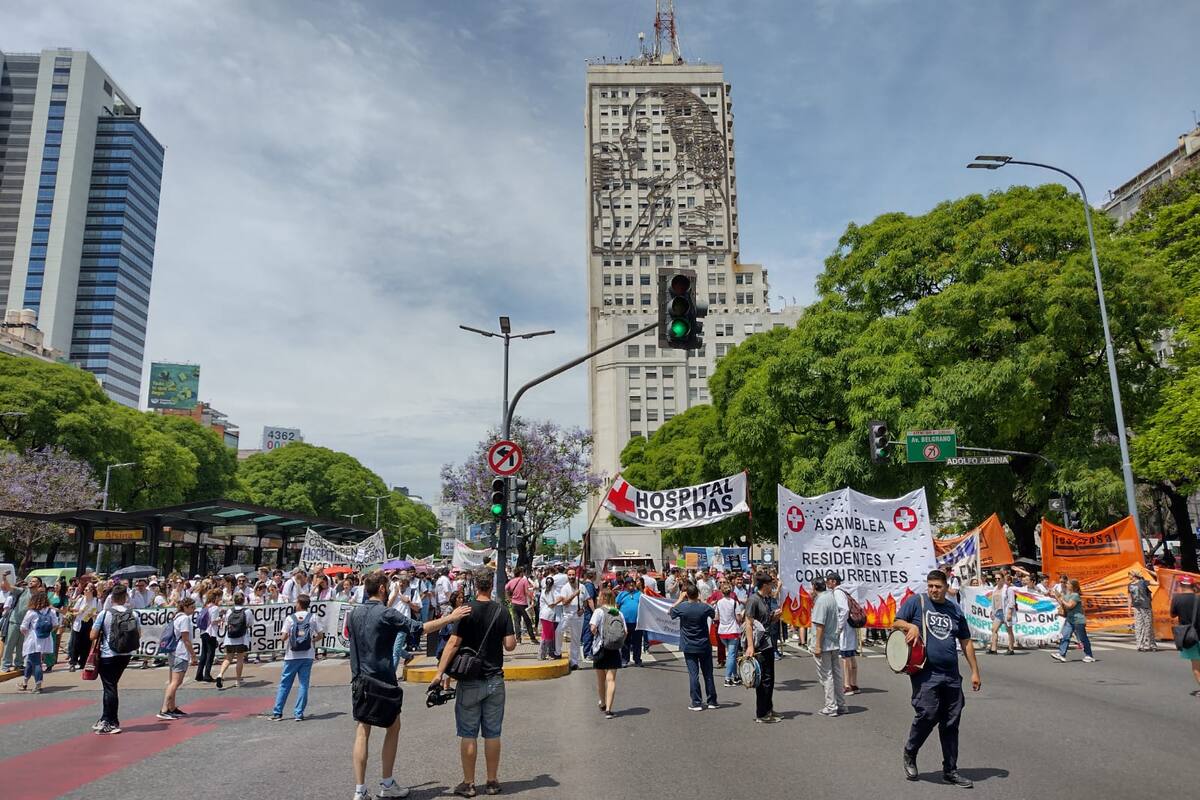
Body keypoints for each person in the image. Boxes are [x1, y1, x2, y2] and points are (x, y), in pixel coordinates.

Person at [349, 570, 469, 800]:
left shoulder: (354, 613)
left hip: (360, 680)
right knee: (392, 727)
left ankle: (360, 790)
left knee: (362, 731)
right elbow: (420, 628)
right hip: (382, 680)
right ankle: (386, 782)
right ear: (382, 589)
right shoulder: (386, 613)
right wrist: (450, 618)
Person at [893, 570, 982, 788]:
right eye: (930, 585)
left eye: (938, 586)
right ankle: (910, 752)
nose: (933, 589)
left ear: (945, 587)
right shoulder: (917, 602)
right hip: (925, 672)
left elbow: (966, 641)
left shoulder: (954, 610)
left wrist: (975, 671)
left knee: (951, 722)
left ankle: (950, 770)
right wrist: (910, 625)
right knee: (928, 713)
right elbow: (895, 622)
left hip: (951, 674)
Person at [435, 569, 517, 797]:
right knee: (492, 733)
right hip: (494, 679)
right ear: (491, 585)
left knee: (468, 732)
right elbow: (510, 645)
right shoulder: (502, 610)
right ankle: (492, 781)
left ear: (474, 586)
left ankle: (469, 784)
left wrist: (439, 673)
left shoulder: (466, 610)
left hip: (470, 680)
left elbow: (453, 643)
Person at [263, 593, 323, 721]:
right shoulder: (313, 617)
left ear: (299, 604)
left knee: (285, 684)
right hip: (307, 655)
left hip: (291, 655)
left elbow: (283, 637)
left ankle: (278, 712)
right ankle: (298, 713)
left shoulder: (290, 618)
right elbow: (321, 634)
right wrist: (312, 640)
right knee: (303, 684)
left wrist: (290, 636)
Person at [90, 584, 140, 735]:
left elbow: (92, 635)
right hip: (125, 655)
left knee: (109, 687)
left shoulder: (105, 614)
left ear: (111, 598)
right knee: (112, 686)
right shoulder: (134, 614)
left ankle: (111, 721)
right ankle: (106, 718)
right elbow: (139, 634)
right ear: (125, 598)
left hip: (108, 654)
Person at [670, 583, 718, 711]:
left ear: (686, 595)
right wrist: (702, 600)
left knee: (693, 674)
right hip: (704, 645)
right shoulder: (703, 607)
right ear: (697, 594)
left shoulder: (682, 607)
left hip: (689, 645)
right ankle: (712, 700)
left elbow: (671, 612)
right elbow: (713, 614)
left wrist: (679, 599)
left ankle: (696, 702)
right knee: (708, 674)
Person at [743, 573, 780, 723]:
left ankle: (769, 709)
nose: (773, 586)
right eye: (771, 584)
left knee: (770, 678)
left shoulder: (765, 599)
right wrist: (750, 646)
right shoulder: (753, 600)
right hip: (760, 645)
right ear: (764, 585)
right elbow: (749, 623)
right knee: (763, 679)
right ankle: (762, 713)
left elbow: (764, 621)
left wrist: (774, 617)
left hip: (769, 642)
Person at [810, 576, 847, 717]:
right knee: (836, 674)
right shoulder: (831, 597)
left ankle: (831, 706)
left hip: (824, 643)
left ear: (814, 587)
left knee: (827, 676)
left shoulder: (821, 601)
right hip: (833, 642)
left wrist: (817, 646)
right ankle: (841, 704)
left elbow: (820, 625)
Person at [158, 597, 197, 719]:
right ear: (185, 607)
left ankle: (172, 707)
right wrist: (193, 655)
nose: (194, 609)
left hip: (174, 652)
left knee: (173, 681)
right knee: (176, 682)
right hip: (180, 652)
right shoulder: (184, 618)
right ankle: (164, 709)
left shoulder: (177, 617)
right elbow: (186, 639)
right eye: (191, 607)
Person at [589, 587, 624, 719]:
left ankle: (603, 703)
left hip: (600, 648)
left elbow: (592, 628)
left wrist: (598, 633)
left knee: (601, 679)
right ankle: (609, 709)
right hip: (614, 649)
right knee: (611, 679)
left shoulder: (599, 611)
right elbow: (624, 632)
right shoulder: (618, 613)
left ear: (603, 598)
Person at [825, 571, 860, 694]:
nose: (827, 583)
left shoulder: (838, 592)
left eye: (828, 580)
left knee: (846, 656)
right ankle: (854, 684)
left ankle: (847, 685)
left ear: (834, 581)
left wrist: (838, 627)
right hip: (849, 626)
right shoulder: (843, 591)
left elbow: (844, 610)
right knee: (851, 655)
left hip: (845, 627)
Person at [18, 590, 58, 692]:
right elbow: (55, 625)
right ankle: (24, 683)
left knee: (36, 662)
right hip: (45, 640)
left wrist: (27, 634)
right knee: (31, 662)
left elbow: (23, 627)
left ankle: (38, 685)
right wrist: (47, 632)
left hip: (33, 639)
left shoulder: (31, 612)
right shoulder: (51, 611)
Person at [1168, 575, 1200, 695]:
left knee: (1196, 666)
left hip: (1189, 636)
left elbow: (1172, 615)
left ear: (1181, 586)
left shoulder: (1177, 599)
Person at [1051, 580, 1094, 663]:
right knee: (1065, 636)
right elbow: (1063, 604)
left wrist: (1062, 599)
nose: (1066, 584)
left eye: (1068, 583)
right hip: (1070, 619)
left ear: (1072, 586)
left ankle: (1089, 655)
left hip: (1078, 620)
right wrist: (1057, 597)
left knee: (1082, 638)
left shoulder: (1075, 595)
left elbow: (1070, 605)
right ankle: (1062, 654)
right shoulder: (1068, 595)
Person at [215, 592, 251, 689]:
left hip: (229, 638)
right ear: (243, 600)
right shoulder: (247, 611)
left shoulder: (230, 611)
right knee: (240, 659)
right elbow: (250, 623)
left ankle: (220, 674)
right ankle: (238, 680)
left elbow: (226, 623)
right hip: (241, 638)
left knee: (228, 658)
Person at [67, 581, 100, 672]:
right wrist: (79, 612)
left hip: (90, 623)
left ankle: (83, 662)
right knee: (75, 643)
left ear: (92, 591)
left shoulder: (96, 601)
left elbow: (100, 612)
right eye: (84, 590)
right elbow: (73, 611)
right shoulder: (81, 600)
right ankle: (73, 662)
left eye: (87, 590)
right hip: (79, 623)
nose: (85, 591)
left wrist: (94, 614)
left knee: (87, 643)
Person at [715, 580, 742, 687]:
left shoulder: (719, 602)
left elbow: (716, 617)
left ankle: (735, 676)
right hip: (733, 631)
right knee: (731, 655)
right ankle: (727, 678)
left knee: (732, 654)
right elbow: (739, 618)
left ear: (721, 592)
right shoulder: (734, 602)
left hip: (722, 631)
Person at [559, 570, 587, 669]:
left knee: (576, 639)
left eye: (573, 575)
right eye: (569, 575)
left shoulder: (582, 587)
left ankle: (574, 662)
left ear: (576, 576)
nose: (571, 577)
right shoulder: (564, 588)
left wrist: (583, 609)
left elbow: (585, 601)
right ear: (567, 576)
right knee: (558, 632)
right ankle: (557, 652)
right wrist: (574, 594)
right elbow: (564, 602)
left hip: (578, 617)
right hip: (567, 615)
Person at [504, 566, 538, 645]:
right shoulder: (523, 580)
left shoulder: (511, 581)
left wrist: (508, 598)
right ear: (521, 573)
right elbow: (527, 591)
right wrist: (532, 599)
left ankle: (518, 639)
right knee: (528, 621)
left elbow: (506, 588)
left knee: (516, 622)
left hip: (514, 603)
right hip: (523, 604)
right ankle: (532, 639)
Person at [615, 577, 643, 667]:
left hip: (637, 622)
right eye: (629, 583)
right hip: (625, 623)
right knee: (625, 642)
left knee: (637, 642)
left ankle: (637, 659)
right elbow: (616, 606)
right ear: (625, 584)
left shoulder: (640, 594)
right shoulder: (621, 594)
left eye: (632, 582)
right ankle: (624, 659)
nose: (631, 584)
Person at [195, 588, 222, 682]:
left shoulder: (206, 606)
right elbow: (213, 621)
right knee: (210, 654)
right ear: (217, 597)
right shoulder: (215, 608)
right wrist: (220, 619)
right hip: (211, 633)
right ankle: (207, 675)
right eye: (220, 597)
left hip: (203, 632)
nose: (220, 599)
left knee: (203, 654)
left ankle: (199, 674)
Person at [1127, 569, 1156, 652]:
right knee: (1138, 626)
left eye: (1130, 575)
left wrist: (1150, 571)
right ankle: (1140, 645)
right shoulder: (1129, 585)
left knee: (1148, 625)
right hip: (1136, 607)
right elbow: (1129, 597)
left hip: (1145, 606)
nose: (1129, 577)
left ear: (1134, 576)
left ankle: (1151, 644)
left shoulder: (1143, 582)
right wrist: (1129, 608)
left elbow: (1158, 582)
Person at [988, 572, 1016, 655]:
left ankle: (1011, 649)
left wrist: (1009, 613)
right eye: (995, 579)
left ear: (1003, 579)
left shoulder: (1008, 589)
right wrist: (992, 611)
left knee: (1009, 630)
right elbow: (993, 601)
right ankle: (993, 649)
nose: (997, 580)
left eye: (998, 578)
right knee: (994, 629)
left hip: (1006, 611)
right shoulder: (995, 588)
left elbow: (1011, 602)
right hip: (998, 612)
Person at [537, 576, 561, 660]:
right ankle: (545, 654)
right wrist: (559, 600)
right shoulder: (546, 592)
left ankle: (543, 654)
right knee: (547, 636)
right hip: (546, 616)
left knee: (546, 635)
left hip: (548, 616)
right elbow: (551, 604)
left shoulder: (549, 591)